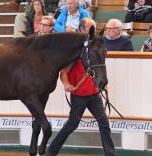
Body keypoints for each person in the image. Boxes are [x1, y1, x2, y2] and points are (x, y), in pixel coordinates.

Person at [47, 18, 116, 156]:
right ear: (83, 29)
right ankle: (51, 151)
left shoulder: (95, 47)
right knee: (72, 124)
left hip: (94, 94)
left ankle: (110, 154)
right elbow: (64, 73)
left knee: (104, 124)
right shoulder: (74, 52)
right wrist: (67, 84)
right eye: (91, 29)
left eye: (94, 29)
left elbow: (98, 69)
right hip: (79, 96)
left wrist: (102, 84)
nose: (93, 31)